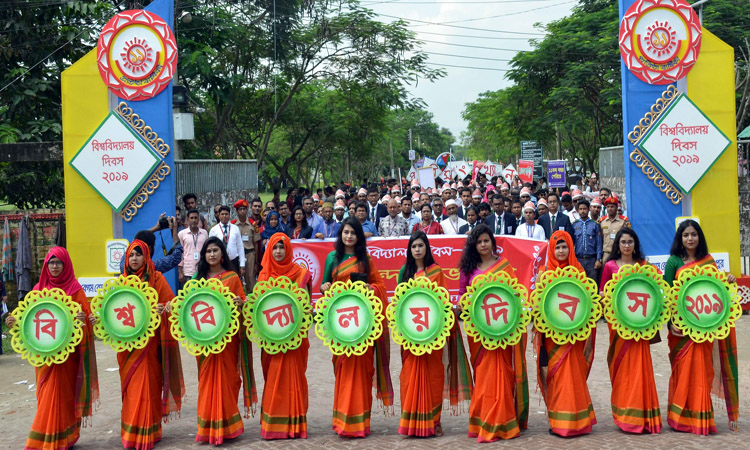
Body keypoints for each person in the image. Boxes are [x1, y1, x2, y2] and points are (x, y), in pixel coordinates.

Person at [5, 247, 98, 450]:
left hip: (67, 356)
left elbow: (87, 319)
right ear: (46, 265)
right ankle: (48, 436)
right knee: (46, 394)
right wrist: (14, 322)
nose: (55, 267)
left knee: (63, 395)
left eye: (59, 263)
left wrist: (84, 319)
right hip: (44, 355)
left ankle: (60, 437)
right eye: (51, 263)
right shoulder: (38, 289)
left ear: (66, 265)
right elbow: (29, 321)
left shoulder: (75, 290)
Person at [663, 220, 738, 435]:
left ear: (699, 237)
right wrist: (671, 324)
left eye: (693, 235)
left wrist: (728, 280)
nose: (690, 239)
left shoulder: (708, 261)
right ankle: (680, 418)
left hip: (703, 328)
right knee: (683, 371)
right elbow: (668, 296)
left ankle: (701, 416)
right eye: (686, 235)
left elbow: (716, 290)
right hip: (681, 331)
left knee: (702, 372)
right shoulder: (673, 263)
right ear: (680, 238)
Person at [319, 218, 393, 437]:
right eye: (346, 232)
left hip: (362, 325)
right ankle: (342, 421)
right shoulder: (332, 258)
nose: (349, 236)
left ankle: (360, 423)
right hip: (340, 325)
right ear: (341, 234)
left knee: (362, 370)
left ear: (359, 236)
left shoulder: (365, 259)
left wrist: (369, 287)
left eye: (353, 233)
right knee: (342, 369)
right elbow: (325, 286)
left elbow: (379, 286)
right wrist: (325, 287)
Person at [396, 232, 472, 437]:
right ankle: (412, 423)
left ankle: (433, 421)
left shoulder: (436, 272)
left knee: (434, 377)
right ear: (409, 250)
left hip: (432, 336)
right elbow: (398, 304)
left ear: (427, 248)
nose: (417, 249)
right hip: (411, 336)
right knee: (409, 376)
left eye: (421, 245)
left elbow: (443, 302)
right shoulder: (404, 272)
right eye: (414, 246)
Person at [459, 225, 528, 442]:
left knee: (502, 373)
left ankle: (504, 420)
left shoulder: (503, 266)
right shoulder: (468, 269)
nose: (483, 245)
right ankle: (483, 420)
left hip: (502, 331)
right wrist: (462, 305)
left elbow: (513, 295)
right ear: (474, 245)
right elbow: (462, 297)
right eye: (479, 242)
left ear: (492, 242)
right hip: (479, 334)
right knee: (483, 375)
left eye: (486, 241)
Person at [117, 240, 184, 449]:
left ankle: (149, 430)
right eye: (131, 255)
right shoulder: (121, 283)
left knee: (148, 384)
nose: (134, 259)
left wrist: (162, 308)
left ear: (146, 257)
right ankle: (131, 431)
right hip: (128, 346)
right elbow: (110, 313)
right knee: (131, 387)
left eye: (138, 255)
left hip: (151, 344)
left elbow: (172, 304)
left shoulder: (156, 279)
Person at [191, 237, 256, 445]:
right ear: (204, 255)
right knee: (206, 382)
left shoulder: (232, 277)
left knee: (228, 380)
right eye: (208, 251)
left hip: (227, 340)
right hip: (204, 341)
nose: (212, 254)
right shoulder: (197, 280)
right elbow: (187, 307)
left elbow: (243, 304)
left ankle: (228, 427)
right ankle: (208, 426)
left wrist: (241, 303)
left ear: (222, 254)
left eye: (215, 250)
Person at [598, 228, 661, 434]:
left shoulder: (644, 266)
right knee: (622, 367)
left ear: (635, 245)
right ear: (618, 245)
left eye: (630, 242)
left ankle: (642, 415)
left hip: (640, 326)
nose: (626, 245)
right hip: (618, 325)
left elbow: (658, 288)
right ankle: (625, 416)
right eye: (623, 242)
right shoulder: (609, 266)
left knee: (640, 367)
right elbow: (602, 292)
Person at [535, 231, 596, 437]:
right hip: (553, 337)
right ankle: (559, 422)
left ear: (571, 248)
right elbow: (538, 307)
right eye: (557, 247)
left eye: (564, 246)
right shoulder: (545, 275)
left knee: (574, 375)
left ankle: (580, 421)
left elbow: (587, 305)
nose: (561, 251)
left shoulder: (579, 273)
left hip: (575, 336)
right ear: (552, 250)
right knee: (558, 377)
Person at [257, 233, 312, 439]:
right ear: (269, 251)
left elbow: (306, 307)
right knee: (273, 379)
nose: (278, 252)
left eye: (282, 247)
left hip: (295, 338)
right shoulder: (264, 276)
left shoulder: (301, 273)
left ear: (288, 249)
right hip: (272, 338)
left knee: (293, 377)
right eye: (274, 248)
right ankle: (273, 426)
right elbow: (258, 309)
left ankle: (295, 423)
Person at [572, 199, 603, 284]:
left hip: (592, 260)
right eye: (580, 209)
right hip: (579, 259)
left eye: (584, 209)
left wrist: (598, 259)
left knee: (592, 284)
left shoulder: (595, 224)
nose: (582, 211)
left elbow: (599, 243)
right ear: (578, 210)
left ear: (589, 209)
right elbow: (572, 244)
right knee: (579, 283)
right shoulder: (575, 225)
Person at [232, 199, 260, 291]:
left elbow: (256, 244)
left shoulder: (253, 225)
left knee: (250, 278)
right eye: (240, 209)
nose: (242, 211)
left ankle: (252, 299)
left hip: (250, 254)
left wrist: (256, 263)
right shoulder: (233, 225)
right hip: (237, 256)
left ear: (247, 210)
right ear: (237, 211)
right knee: (236, 277)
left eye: (244, 209)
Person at [209, 206, 245, 276]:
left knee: (234, 281)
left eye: (226, 214)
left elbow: (240, 247)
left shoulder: (235, 228)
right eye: (222, 214)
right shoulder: (213, 230)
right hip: (219, 262)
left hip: (233, 261)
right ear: (219, 216)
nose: (224, 216)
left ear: (229, 215)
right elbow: (210, 248)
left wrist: (242, 265)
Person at [178, 208, 209, 285]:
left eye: (196, 218)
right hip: (188, 271)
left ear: (199, 219)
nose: (194, 220)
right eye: (191, 218)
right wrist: (180, 272)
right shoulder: (182, 234)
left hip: (203, 270)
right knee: (189, 295)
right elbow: (180, 254)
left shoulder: (204, 233)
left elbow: (207, 250)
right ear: (187, 219)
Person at [600, 197, 631, 262]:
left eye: (612, 207)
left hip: (618, 253)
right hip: (606, 254)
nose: (610, 209)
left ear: (617, 208)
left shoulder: (623, 221)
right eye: (608, 207)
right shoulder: (602, 221)